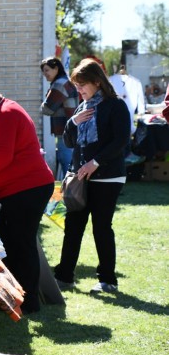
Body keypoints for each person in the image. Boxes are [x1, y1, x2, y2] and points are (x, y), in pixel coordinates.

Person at [0, 78, 54, 314]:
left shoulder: (6, 113)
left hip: (28, 189)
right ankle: (13, 297)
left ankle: (28, 301)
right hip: (21, 189)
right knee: (10, 242)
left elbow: (1, 157)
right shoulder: (3, 112)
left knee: (20, 245)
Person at [54, 58, 130, 294]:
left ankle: (107, 280)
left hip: (107, 177)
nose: (79, 90)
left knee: (101, 227)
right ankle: (64, 276)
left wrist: (95, 162)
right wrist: (72, 122)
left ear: (97, 82)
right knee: (73, 226)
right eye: (76, 86)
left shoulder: (115, 105)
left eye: (82, 85)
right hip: (80, 177)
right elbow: (69, 142)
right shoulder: (81, 107)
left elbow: (121, 141)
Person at [40, 56, 78, 177]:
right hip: (73, 127)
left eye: (47, 70)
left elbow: (47, 109)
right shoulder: (66, 81)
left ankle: (73, 190)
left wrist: (44, 102)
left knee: (66, 161)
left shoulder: (59, 84)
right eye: (43, 71)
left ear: (56, 68)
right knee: (71, 161)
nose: (44, 74)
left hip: (65, 129)